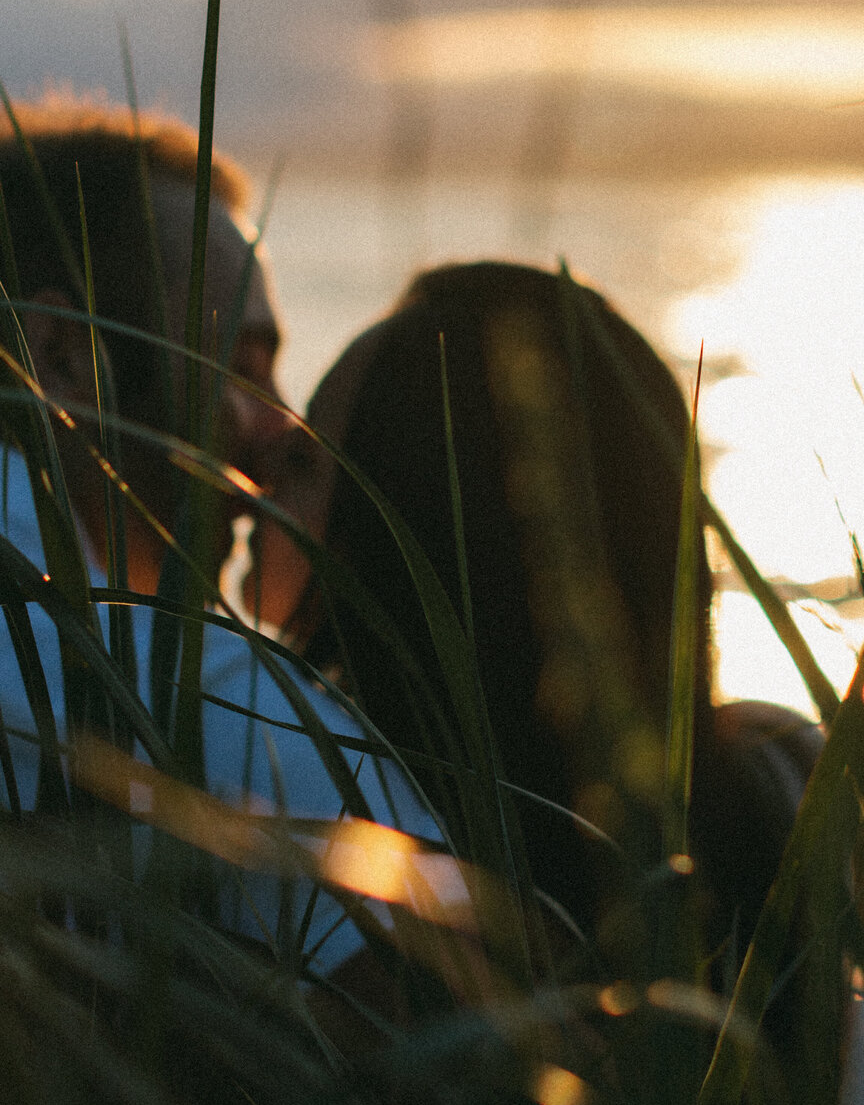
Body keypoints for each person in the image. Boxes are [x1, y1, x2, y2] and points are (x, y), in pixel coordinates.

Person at [0, 97, 442, 974]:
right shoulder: (213, 706)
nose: (284, 428)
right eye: (240, 368)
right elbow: (482, 1047)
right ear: (62, 354)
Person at [249, 260, 823, 965]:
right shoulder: (788, 788)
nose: (255, 482)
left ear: (404, 535)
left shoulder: (339, 839)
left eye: (305, 463)